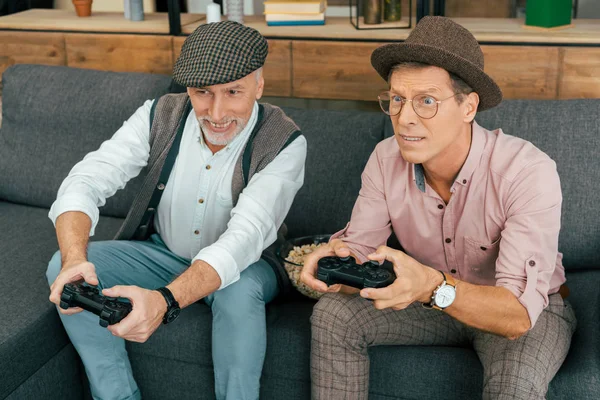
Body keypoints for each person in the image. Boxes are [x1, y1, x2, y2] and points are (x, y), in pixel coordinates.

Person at [301, 16, 575, 400]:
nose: (405, 118)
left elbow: (517, 315)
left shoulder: (527, 171)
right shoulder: (385, 159)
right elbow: (359, 250)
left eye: (426, 101)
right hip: (432, 304)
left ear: (468, 107)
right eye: (397, 99)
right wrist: (335, 263)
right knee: (332, 314)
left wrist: (431, 286)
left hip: (520, 312)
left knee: (512, 388)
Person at [46, 21, 307, 400]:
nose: (216, 113)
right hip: (163, 253)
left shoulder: (285, 141)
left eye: (234, 92)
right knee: (62, 268)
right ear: (188, 88)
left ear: (259, 86)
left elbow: (244, 237)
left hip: (248, 266)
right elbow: (86, 179)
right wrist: (73, 258)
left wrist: (165, 300)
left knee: (236, 293)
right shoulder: (158, 115)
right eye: (203, 92)